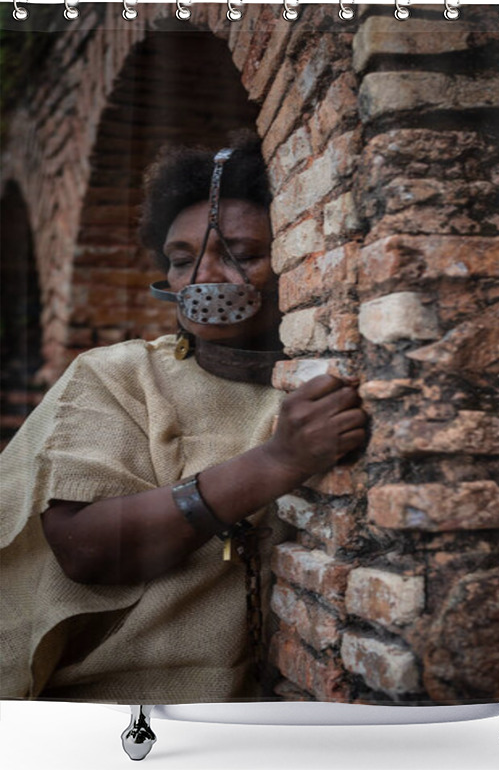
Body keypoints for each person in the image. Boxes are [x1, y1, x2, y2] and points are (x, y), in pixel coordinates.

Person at [0, 132, 368, 703]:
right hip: (119, 712)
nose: (202, 278)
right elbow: (82, 547)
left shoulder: (324, 381)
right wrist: (277, 462)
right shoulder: (117, 375)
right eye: (180, 260)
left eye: (242, 255)